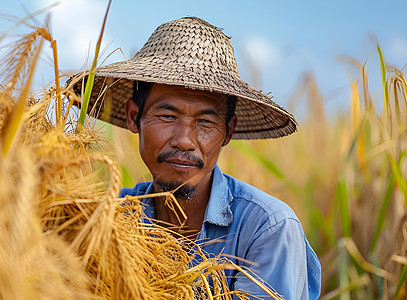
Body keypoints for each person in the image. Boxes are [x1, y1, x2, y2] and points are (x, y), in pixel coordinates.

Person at [73, 17, 321, 299]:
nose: (185, 140)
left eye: (205, 122)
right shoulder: (108, 220)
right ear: (134, 116)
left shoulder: (267, 228)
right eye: (168, 116)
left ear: (227, 132)